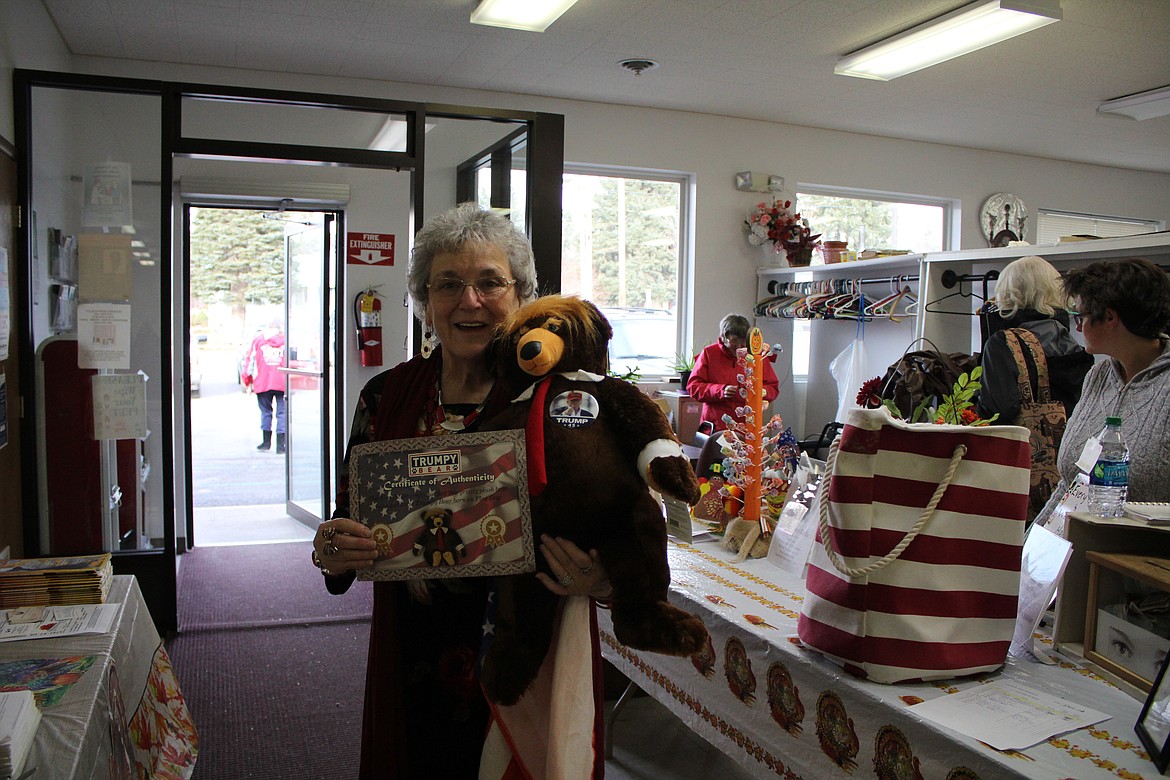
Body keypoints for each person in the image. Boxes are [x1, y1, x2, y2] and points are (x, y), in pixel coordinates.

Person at [309, 203, 613, 779]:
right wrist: (330, 547)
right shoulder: (386, 396)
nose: (469, 302)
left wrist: (603, 579)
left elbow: (616, 520)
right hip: (415, 653)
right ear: (425, 302)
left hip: (531, 653)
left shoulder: (565, 401)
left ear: (520, 294)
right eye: (448, 284)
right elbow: (348, 518)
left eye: (489, 282)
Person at [1034, 257, 1170, 525]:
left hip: (1137, 557)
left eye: (1081, 316)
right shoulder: (1099, 375)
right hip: (1073, 546)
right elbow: (1070, 483)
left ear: (1110, 318)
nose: (1078, 327)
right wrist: (1027, 551)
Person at [977, 255, 1093, 422]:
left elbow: (996, 412)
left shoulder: (1003, 343)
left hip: (1022, 444)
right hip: (1070, 442)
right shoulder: (1072, 341)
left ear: (1007, 292)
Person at [686, 313, 779, 432]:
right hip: (716, 426)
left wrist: (758, 392)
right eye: (734, 341)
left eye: (743, 341)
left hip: (748, 427)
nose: (739, 346)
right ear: (724, 337)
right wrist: (720, 391)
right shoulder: (709, 354)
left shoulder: (757, 356)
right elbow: (693, 387)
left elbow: (772, 388)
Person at [243, 320, 287, 453]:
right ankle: (280, 445)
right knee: (282, 413)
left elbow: (250, 362)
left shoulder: (258, 340)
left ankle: (266, 442)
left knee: (265, 412)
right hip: (282, 381)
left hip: (262, 381)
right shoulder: (285, 340)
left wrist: (247, 380)